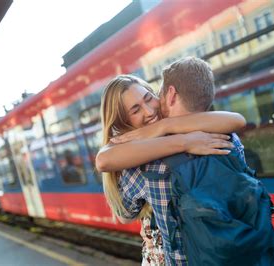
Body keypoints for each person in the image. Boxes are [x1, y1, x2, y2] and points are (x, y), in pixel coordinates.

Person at [96, 73, 245, 265]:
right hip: (238, 247)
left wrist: (166, 127)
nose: (149, 111)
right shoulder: (210, 133)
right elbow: (237, 121)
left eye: (148, 98)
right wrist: (184, 140)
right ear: (122, 122)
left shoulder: (139, 169)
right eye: (135, 110)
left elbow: (124, 215)